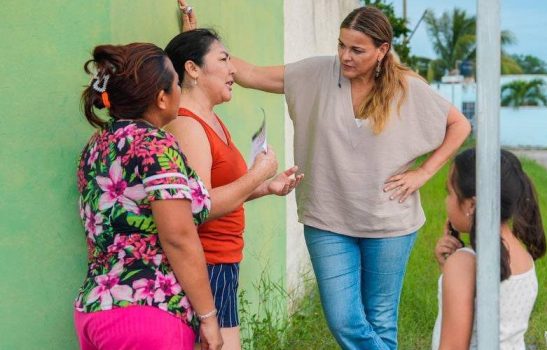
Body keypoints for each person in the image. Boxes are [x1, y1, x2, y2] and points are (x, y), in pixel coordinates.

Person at [180, 4, 471, 349]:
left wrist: (423, 172)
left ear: (382, 50)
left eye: (357, 50)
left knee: (380, 320)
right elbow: (252, 73)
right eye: (341, 45)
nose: (345, 56)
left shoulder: (406, 88)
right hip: (327, 219)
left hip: (390, 221)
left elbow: (459, 124)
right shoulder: (316, 73)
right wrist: (193, 43)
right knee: (344, 319)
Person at [74, 43, 222, 350]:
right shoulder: (155, 145)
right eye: (177, 83)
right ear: (162, 97)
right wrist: (208, 316)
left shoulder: (96, 145)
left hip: (94, 311)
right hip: (148, 314)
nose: (180, 90)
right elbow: (178, 237)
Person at [164, 25, 302, 349]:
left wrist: (267, 186)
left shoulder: (211, 120)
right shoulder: (187, 125)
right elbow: (201, 206)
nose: (233, 70)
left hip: (222, 261)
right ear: (193, 69)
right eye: (224, 59)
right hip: (206, 262)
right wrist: (257, 174)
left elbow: (221, 191)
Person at [432, 149, 546, 349]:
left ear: (472, 205)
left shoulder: (464, 264)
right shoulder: (522, 254)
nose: (446, 201)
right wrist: (447, 268)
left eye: (449, 193)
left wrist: (454, 267)